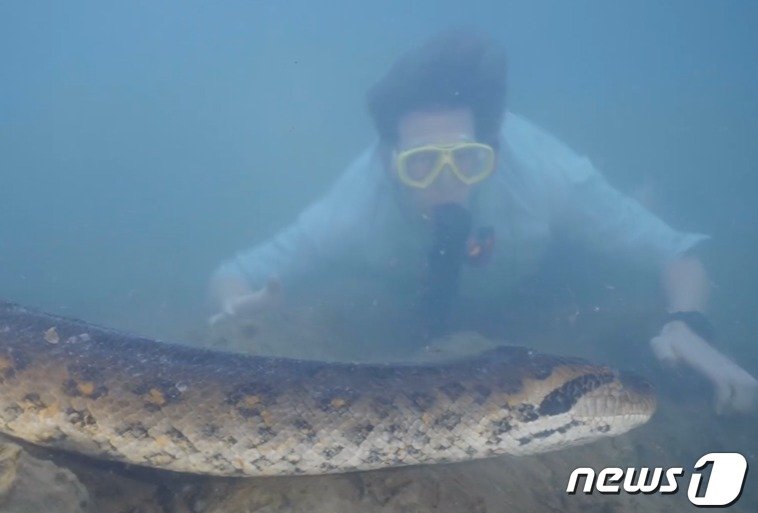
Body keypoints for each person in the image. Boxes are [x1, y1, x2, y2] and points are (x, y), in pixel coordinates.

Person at [207, 29, 757, 413]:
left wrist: (689, 325)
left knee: (597, 259)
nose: (446, 183)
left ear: (493, 149)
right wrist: (243, 311)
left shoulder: (545, 173)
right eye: (421, 165)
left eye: (467, 161)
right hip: (421, 301)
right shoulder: (353, 209)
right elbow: (234, 273)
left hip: (543, 272)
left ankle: (633, 201)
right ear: (387, 162)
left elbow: (677, 254)